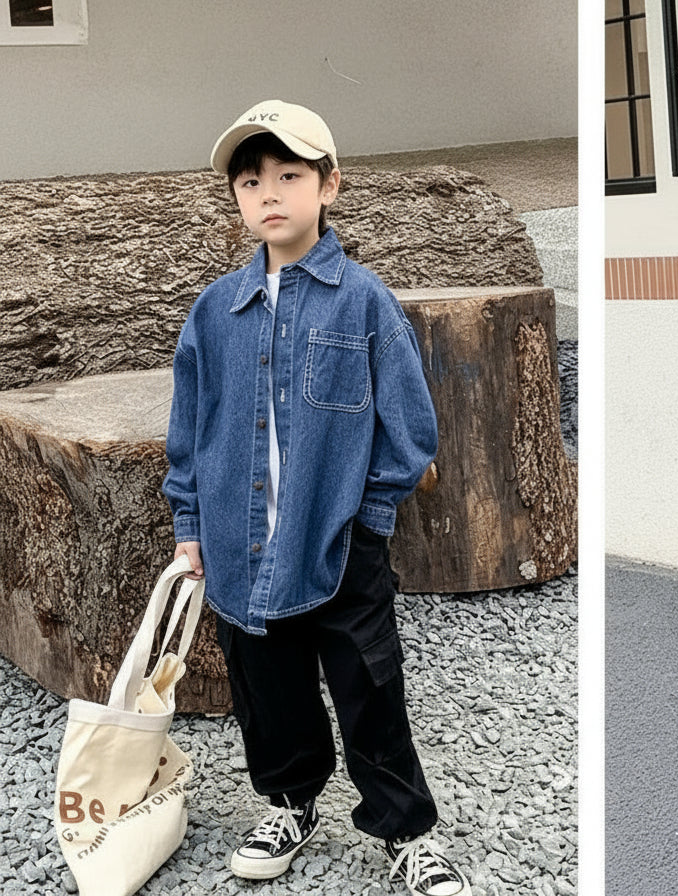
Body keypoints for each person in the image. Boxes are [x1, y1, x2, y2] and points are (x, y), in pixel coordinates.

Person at [163, 100, 471, 896]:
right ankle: (290, 803)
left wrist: (367, 523)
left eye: (289, 176)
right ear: (235, 196)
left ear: (330, 184)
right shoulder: (212, 314)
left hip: (336, 546)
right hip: (238, 544)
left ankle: (405, 829)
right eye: (251, 180)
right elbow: (192, 432)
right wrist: (191, 525)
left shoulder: (362, 301)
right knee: (268, 690)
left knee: (370, 687)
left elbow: (408, 429)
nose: (269, 194)